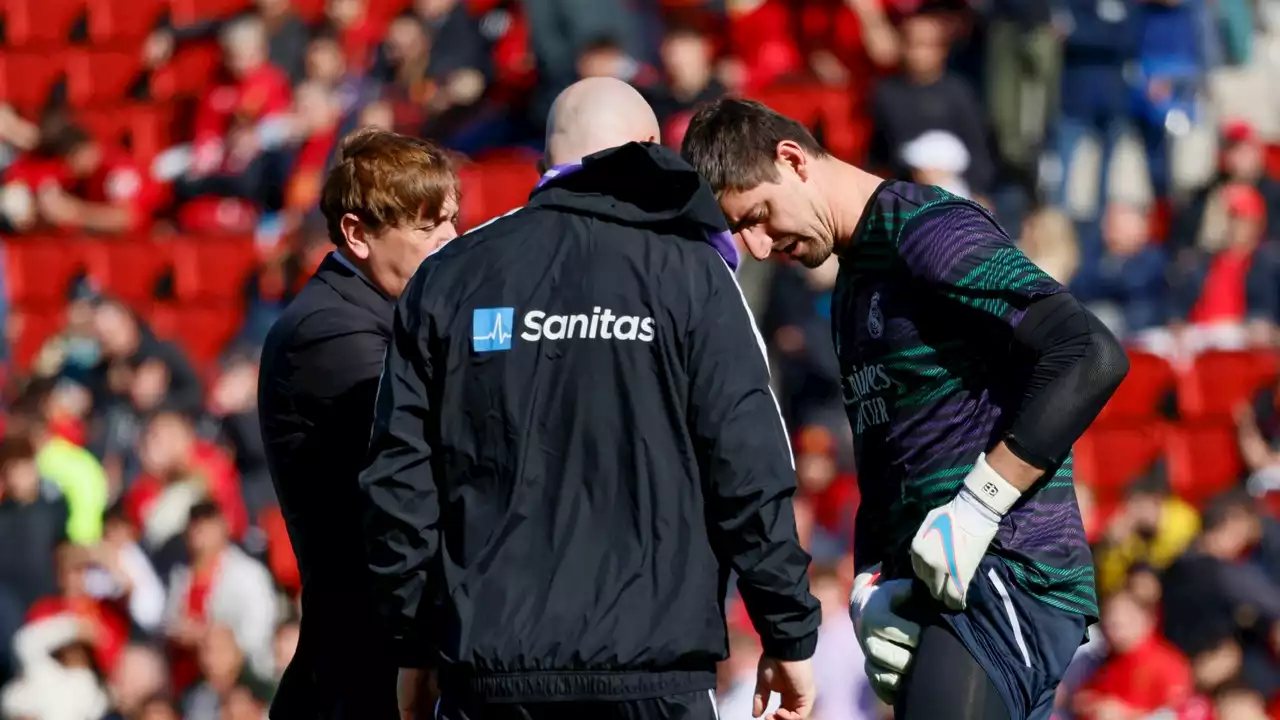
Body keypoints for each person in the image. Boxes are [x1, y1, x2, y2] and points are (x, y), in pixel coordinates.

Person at [360, 77, 820, 720]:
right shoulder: (696, 275)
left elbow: (400, 487)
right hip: (655, 680)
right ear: (655, 153)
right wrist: (788, 633)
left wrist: (411, 648)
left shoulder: (448, 276)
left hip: (491, 682)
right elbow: (750, 469)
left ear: (548, 165)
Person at [681, 98, 1129, 720]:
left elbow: (1090, 352)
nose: (757, 246)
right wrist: (872, 582)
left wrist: (978, 506)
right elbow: (889, 459)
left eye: (756, 215)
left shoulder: (926, 226)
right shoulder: (852, 284)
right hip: (944, 586)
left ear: (791, 159)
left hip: (1007, 568)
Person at [257, 127, 460, 719]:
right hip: (360, 675)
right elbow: (434, 438)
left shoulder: (390, 312)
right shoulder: (328, 330)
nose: (452, 240)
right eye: (427, 227)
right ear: (357, 234)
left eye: (452, 220)